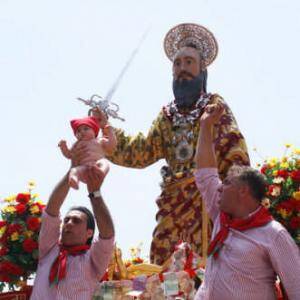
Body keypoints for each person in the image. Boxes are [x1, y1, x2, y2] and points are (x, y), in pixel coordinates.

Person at [74, 23, 250, 265]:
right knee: (163, 266)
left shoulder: (214, 106)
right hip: (171, 204)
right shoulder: (167, 115)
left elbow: (235, 155)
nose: (182, 69)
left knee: (208, 267)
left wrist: (235, 200)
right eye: (177, 64)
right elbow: (143, 151)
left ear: (202, 71)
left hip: (207, 202)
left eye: (189, 62)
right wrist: (107, 132)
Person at [193, 104, 300, 299]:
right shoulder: (222, 216)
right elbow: (205, 174)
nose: (219, 187)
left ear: (243, 190)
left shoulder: (273, 234)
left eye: (226, 183)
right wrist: (205, 126)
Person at [30, 164, 115, 299]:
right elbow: (51, 211)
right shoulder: (49, 248)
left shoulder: (93, 259)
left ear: (89, 233)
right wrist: (72, 170)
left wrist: (95, 193)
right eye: (67, 220)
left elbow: (107, 235)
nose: (68, 223)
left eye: (76, 221)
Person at [58, 115, 116, 190]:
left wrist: (111, 132)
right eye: (78, 131)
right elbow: (69, 155)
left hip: (97, 165)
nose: (82, 132)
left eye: (86, 129)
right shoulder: (77, 144)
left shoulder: (99, 140)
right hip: (83, 170)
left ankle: (101, 172)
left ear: (94, 131)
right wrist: (63, 147)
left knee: (104, 163)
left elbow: (111, 146)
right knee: (73, 170)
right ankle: (74, 179)